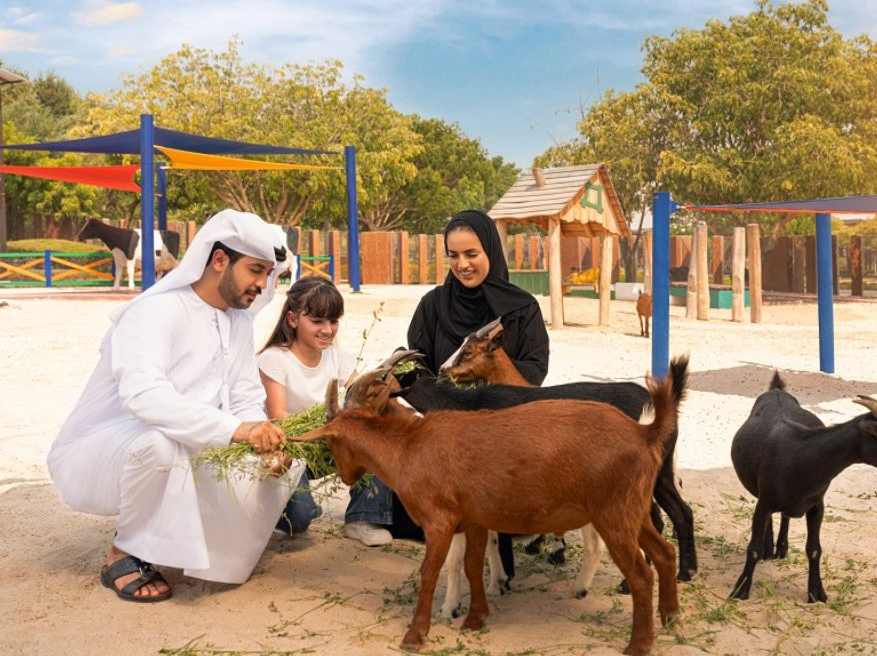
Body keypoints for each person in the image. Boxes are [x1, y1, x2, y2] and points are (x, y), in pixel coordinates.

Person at [47, 209, 301, 602]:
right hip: (105, 450)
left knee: (285, 473)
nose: (262, 285)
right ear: (219, 260)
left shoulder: (237, 322)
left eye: (268, 275)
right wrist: (236, 430)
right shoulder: (155, 312)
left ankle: (184, 539)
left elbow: (245, 395)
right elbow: (144, 396)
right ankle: (123, 552)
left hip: (191, 442)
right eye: (255, 271)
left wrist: (260, 437)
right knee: (164, 445)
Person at [342, 208, 549, 546]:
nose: (462, 264)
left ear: (491, 252)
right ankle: (366, 513)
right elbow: (417, 361)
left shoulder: (522, 309)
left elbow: (535, 368)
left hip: (500, 421)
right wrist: (440, 392)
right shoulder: (434, 304)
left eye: (471, 254)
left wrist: (483, 376)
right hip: (442, 419)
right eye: (453, 255)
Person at [258, 276, 356, 536]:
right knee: (298, 522)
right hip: (293, 448)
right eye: (317, 321)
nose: (327, 330)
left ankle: (365, 515)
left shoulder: (339, 357)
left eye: (333, 321)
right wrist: (328, 427)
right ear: (293, 319)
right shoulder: (275, 359)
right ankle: (296, 509)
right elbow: (279, 417)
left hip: (329, 445)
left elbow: (359, 398)